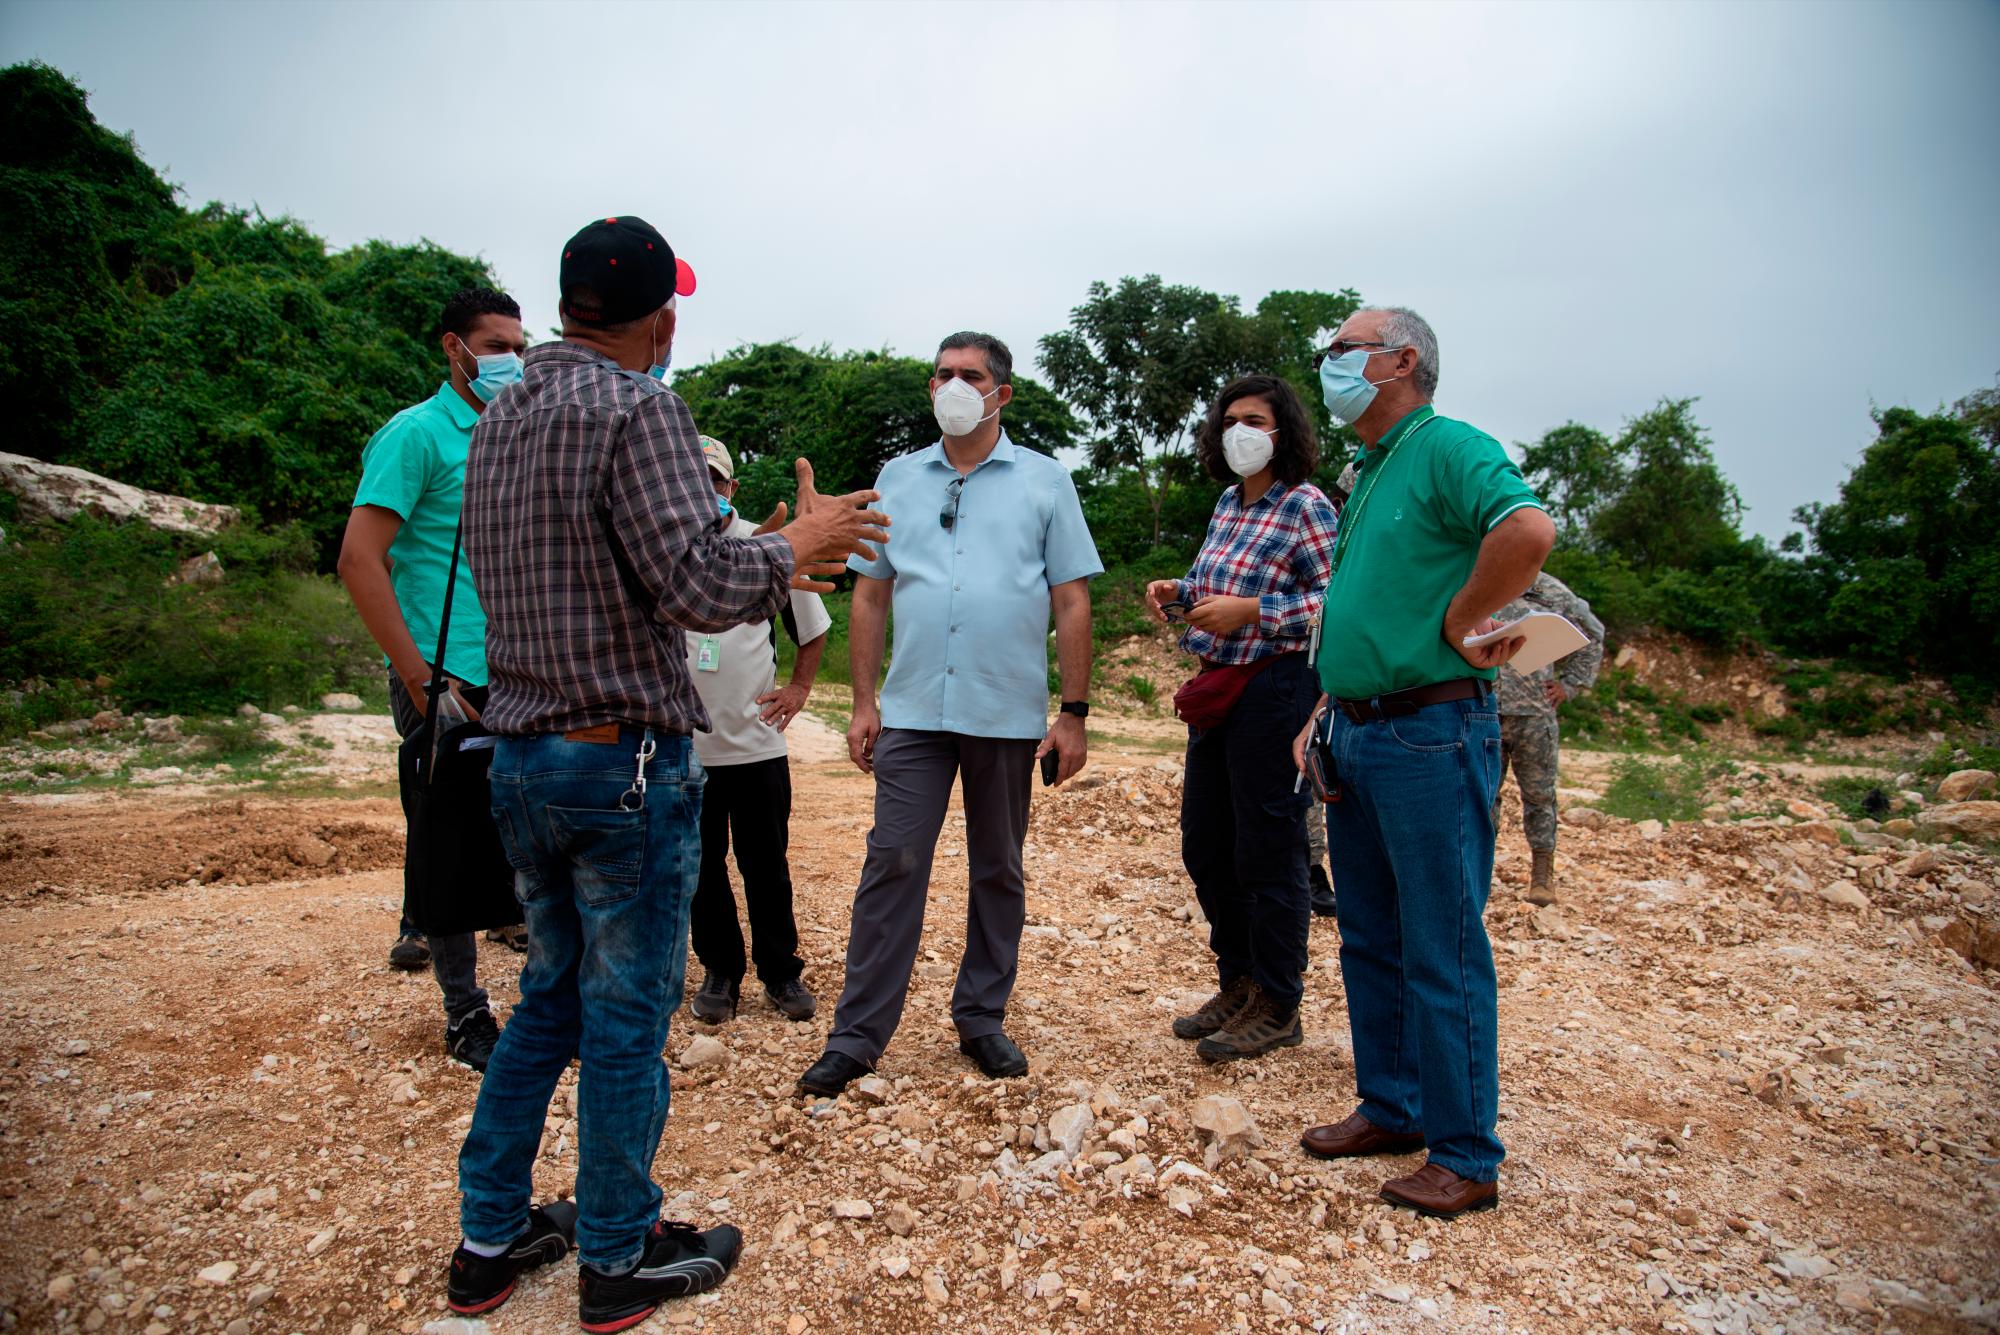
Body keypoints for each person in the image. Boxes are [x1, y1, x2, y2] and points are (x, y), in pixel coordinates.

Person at [445, 214, 888, 1328]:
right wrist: (796, 545)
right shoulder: (640, 409)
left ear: (560, 307)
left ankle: (487, 1242)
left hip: (524, 756)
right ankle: (617, 1256)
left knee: (546, 999)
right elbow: (691, 586)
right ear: (663, 318)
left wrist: (764, 548)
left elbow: (629, 570)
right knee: (628, 1016)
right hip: (620, 768)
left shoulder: (501, 415)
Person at [1294, 306, 1555, 1221]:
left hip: (1429, 732)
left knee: (1440, 946)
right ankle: (1393, 1106)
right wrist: (1329, 702)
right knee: (1369, 934)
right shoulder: (1369, 467)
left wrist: (1460, 617)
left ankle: (1467, 1153)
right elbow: (1369, 602)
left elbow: (1526, 530)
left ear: (1402, 360)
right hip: (1361, 729)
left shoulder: (1448, 445)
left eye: (1341, 351)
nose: (1326, 366)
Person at [797, 332, 1102, 1096]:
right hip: (912, 710)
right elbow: (870, 592)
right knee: (892, 861)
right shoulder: (899, 477)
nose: (952, 384)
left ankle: (981, 1017)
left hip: (1006, 711)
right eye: (942, 373)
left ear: (1001, 393)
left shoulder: (1044, 480)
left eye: (970, 374)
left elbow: (1071, 597)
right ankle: (857, 1035)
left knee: (998, 867)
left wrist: (1073, 711)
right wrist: (864, 702)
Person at [337, 286, 528, 1073]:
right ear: (454, 348)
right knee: (446, 848)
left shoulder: (520, 431)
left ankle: (542, 1008)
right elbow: (359, 560)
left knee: (524, 842)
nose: (508, 359)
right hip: (446, 678)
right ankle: (464, 1012)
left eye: (519, 343)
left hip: (521, 673)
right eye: (493, 344)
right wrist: (419, 678)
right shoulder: (413, 436)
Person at [1145, 374, 1337, 1064]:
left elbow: (1334, 603)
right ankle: (1241, 981)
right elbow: (1219, 584)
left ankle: (1280, 1003)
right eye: (1229, 420)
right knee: (1208, 843)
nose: (1240, 432)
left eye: (1254, 419)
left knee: (1269, 848)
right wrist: (1181, 591)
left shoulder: (1307, 506)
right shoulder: (1229, 502)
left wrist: (1253, 613)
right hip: (1221, 689)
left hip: (1278, 689)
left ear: (1284, 431)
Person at [684, 434, 830, 1024]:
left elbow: (813, 628)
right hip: (683, 750)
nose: (706, 490)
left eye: (715, 480)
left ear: (732, 488)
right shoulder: (666, 548)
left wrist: (798, 690)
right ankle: (720, 971)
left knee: (765, 864)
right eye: (693, 478)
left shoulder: (767, 547)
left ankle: (781, 973)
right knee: (699, 867)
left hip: (756, 744)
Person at [1492, 572, 1604, 905]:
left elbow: (1593, 635)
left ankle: (1542, 876)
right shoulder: (1480, 577)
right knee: (1481, 798)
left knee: (1540, 796)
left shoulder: (1552, 592)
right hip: (1485, 711)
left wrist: (1569, 685)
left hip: (1535, 715)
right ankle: (1478, 874)